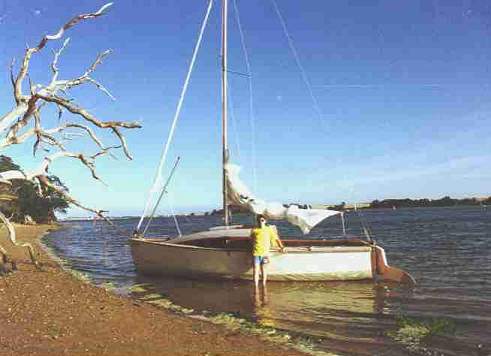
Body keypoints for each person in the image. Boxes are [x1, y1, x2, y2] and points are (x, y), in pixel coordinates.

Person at [250, 214, 285, 289]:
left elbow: (276, 238)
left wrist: (281, 246)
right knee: (256, 271)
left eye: (262, 220)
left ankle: (263, 285)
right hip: (256, 253)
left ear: (265, 221)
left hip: (265, 254)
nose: (260, 222)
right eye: (259, 221)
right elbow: (252, 240)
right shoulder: (254, 230)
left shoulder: (269, 229)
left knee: (264, 270)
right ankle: (256, 287)